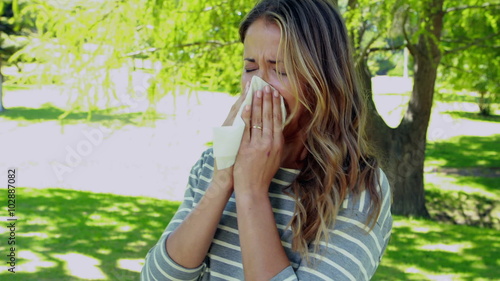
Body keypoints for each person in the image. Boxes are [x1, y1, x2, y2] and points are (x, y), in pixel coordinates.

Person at [141, 0, 392, 280]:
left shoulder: (357, 189)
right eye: (250, 68)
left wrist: (251, 191)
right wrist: (223, 179)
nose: (258, 87)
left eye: (281, 71)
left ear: (325, 82)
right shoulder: (213, 163)